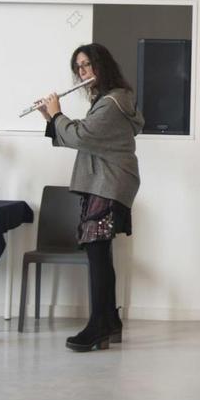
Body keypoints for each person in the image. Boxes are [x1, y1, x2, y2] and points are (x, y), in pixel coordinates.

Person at [37, 43, 143, 352]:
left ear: (102, 64)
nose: (83, 72)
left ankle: (99, 325)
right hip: (105, 182)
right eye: (79, 68)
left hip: (108, 183)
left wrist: (57, 114)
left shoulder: (112, 102)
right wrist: (51, 118)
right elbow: (83, 135)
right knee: (99, 253)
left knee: (97, 254)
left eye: (87, 64)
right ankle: (108, 320)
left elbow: (81, 136)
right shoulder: (110, 100)